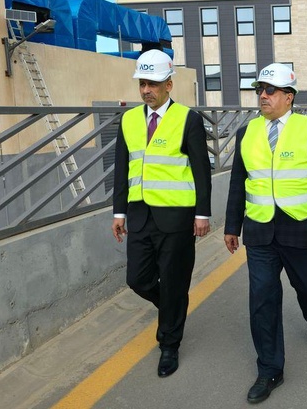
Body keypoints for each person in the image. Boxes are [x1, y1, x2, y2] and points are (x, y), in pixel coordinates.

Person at [224, 63, 307, 404]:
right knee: (262, 299)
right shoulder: (246, 133)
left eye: (270, 90)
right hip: (260, 231)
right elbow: (237, 184)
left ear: (289, 97)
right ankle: (270, 369)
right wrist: (233, 227)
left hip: (303, 229)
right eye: (260, 89)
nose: (263, 95)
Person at [111, 49, 212, 378]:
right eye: (142, 84)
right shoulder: (127, 120)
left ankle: (169, 344)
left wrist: (202, 214)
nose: (145, 90)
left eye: (152, 84)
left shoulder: (188, 119)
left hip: (177, 217)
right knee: (137, 279)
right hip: (139, 214)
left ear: (169, 85)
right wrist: (118, 213)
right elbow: (122, 169)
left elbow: (201, 170)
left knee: (173, 280)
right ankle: (171, 306)